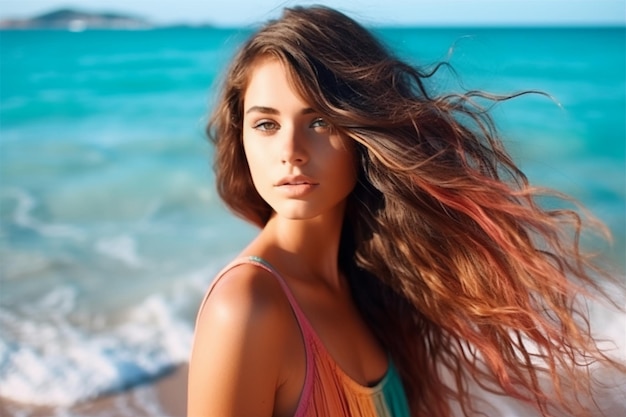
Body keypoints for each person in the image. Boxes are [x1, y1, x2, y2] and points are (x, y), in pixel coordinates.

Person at [187, 5, 625, 417]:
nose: (291, 152)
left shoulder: (368, 284)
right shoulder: (246, 305)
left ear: (364, 129)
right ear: (240, 137)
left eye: (320, 120)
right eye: (266, 124)